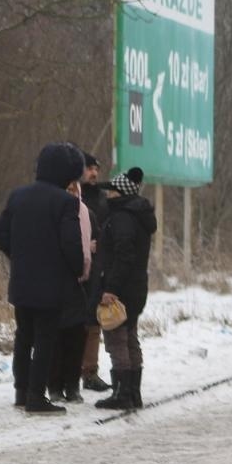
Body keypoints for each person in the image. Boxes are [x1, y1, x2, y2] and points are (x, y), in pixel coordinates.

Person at [0, 142, 86, 415]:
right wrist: (77, 269)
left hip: (22, 282)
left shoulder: (18, 196)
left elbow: (1, 234)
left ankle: (21, 391)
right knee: (45, 339)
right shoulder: (66, 202)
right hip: (51, 284)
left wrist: (19, 257)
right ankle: (37, 396)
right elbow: (71, 245)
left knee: (23, 336)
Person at [96, 168, 156, 411]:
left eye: (110, 191)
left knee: (117, 339)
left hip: (121, 287)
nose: (107, 195)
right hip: (138, 285)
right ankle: (133, 393)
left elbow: (123, 254)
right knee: (130, 337)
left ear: (119, 193)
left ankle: (122, 394)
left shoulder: (122, 217)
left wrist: (110, 287)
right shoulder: (140, 214)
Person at [48, 178, 95, 404]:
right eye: (66, 188)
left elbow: (85, 245)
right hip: (54, 278)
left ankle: (72, 384)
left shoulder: (82, 210)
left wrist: (83, 272)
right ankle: (55, 385)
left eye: (72, 189)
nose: (70, 193)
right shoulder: (52, 208)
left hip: (76, 280)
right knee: (55, 336)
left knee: (75, 336)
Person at [78, 153, 113, 392]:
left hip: (97, 268)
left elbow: (109, 230)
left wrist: (101, 243)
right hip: (72, 268)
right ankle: (67, 372)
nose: (94, 173)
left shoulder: (102, 199)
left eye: (96, 168)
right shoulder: (69, 196)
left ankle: (90, 371)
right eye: (89, 168)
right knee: (70, 322)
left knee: (93, 320)